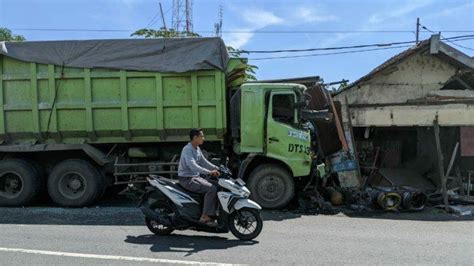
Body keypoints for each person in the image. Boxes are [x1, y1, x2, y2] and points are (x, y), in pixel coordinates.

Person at [178, 128, 220, 226]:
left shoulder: (197, 148)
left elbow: (204, 162)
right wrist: (209, 172)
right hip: (187, 179)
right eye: (202, 136)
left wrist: (217, 168)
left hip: (195, 177)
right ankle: (205, 216)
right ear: (195, 137)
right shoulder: (187, 149)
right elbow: (193, 166)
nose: (203, 138)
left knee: (218, 185)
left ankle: (213, 212)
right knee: (211, 189)